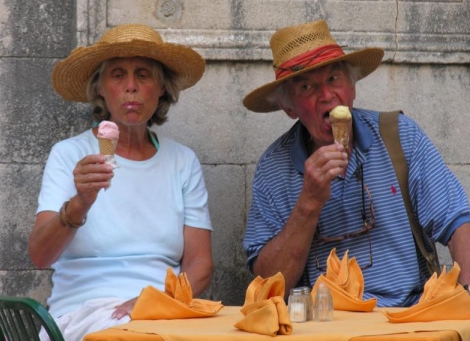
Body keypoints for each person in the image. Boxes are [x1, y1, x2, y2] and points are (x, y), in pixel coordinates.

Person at [242, 19, 470, 307]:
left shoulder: (399, 136)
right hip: (324, 326)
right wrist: (308, 204)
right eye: (307, 87)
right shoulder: (274, 167)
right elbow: (269, 285)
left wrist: (467, 294)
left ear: (352, 87)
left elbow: (458, 221)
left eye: (334, 79)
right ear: (289, 108)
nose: (326, 95)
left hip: (406, 319)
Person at [28, 24, 213, 340]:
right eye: (117, 75)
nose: (131, 87)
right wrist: (79, 204)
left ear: (162, 88)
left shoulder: (182, 161)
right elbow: (40, 256)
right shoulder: (70, 154)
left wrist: (158, 302)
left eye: (143, 75)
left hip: (163, 312)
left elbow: (200, 264)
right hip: (84, 313)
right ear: (100, 88)